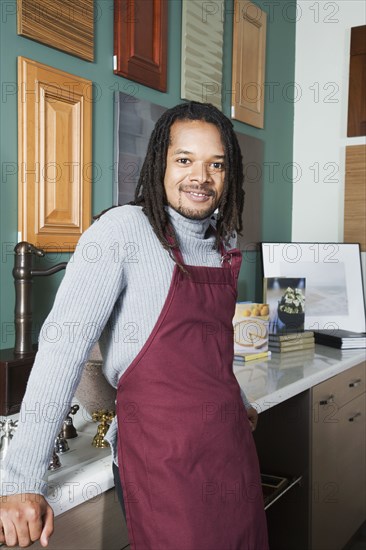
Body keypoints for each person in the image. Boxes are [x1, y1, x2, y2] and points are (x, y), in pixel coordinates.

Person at [0, 101, 269, 549]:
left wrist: (237, 397)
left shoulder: (224, 241)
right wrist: (21, 481)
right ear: (159, 164)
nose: (199, 177)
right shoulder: (121, 232)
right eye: (184, 160)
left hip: (229, 446)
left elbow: (208, 344)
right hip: (162, 460)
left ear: (229, 173)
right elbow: (62, 351)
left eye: (215, 164)